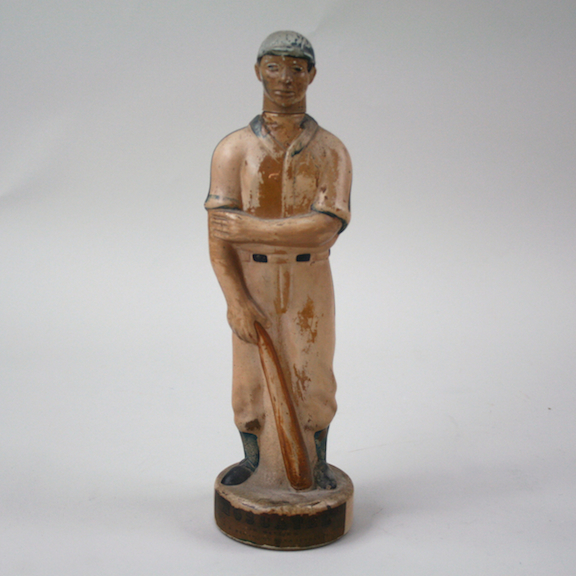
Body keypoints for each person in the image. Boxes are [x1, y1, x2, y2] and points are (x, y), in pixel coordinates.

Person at [206, 31, 351, 490]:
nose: (285, 79)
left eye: (296, 68)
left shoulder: (330, 150)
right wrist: (235, 301)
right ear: (257, 72)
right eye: (273, 67)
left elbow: (325, 227)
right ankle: (253, 462)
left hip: (310, 279)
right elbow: (218, 236)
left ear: (312, 75)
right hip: (252, 278)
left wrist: (248, 228)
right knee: (249, 380)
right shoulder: (233, 149)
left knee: (314, 375)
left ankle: (317, 463)